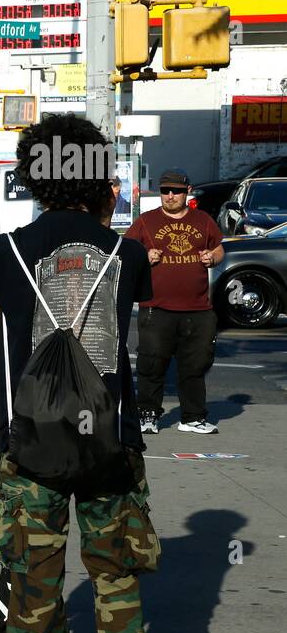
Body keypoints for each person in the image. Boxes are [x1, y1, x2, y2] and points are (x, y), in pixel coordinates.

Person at [0, 113, 170, 633]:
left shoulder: (2, 253)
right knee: (118, 578)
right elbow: (140, 305)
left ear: (31, 176)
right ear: (97, 177)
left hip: (32, 443)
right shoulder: (126, 253)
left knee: (34, 577)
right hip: (111, 440)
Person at [125, 168, 224, 435]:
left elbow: (218, 247)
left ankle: (192, 417)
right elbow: (125, 251)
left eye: (176, 191)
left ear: (187, 192)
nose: (170, 196)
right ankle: (148, 416)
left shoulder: (203, 220)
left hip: (198, 308)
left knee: (195, 365)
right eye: (165, 191)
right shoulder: (146, 221)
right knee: (151, 363)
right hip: (156, 307)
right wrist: (144, 254)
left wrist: (212, 258)